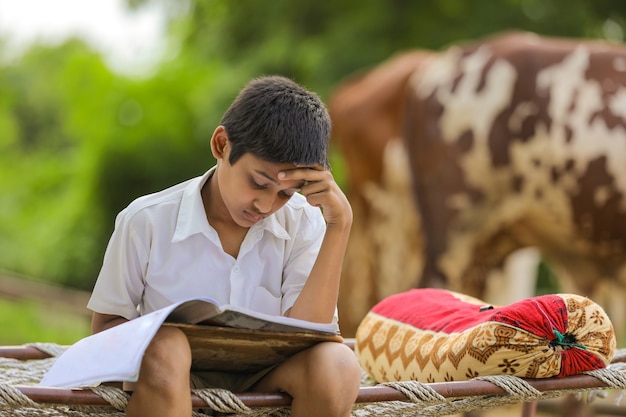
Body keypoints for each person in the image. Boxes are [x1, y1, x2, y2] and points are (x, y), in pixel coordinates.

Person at [86, 75, 362, 417]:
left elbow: (309, 336)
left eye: (285, 193)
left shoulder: (303, 222)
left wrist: (339, 226)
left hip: (263, 379)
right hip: (166, 381)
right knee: (166, 345)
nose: (264, 205)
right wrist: (165, 344)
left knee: (338, 364)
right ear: (221, 145)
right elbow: (106, 327)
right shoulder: (146, 220)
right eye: (257, 183)